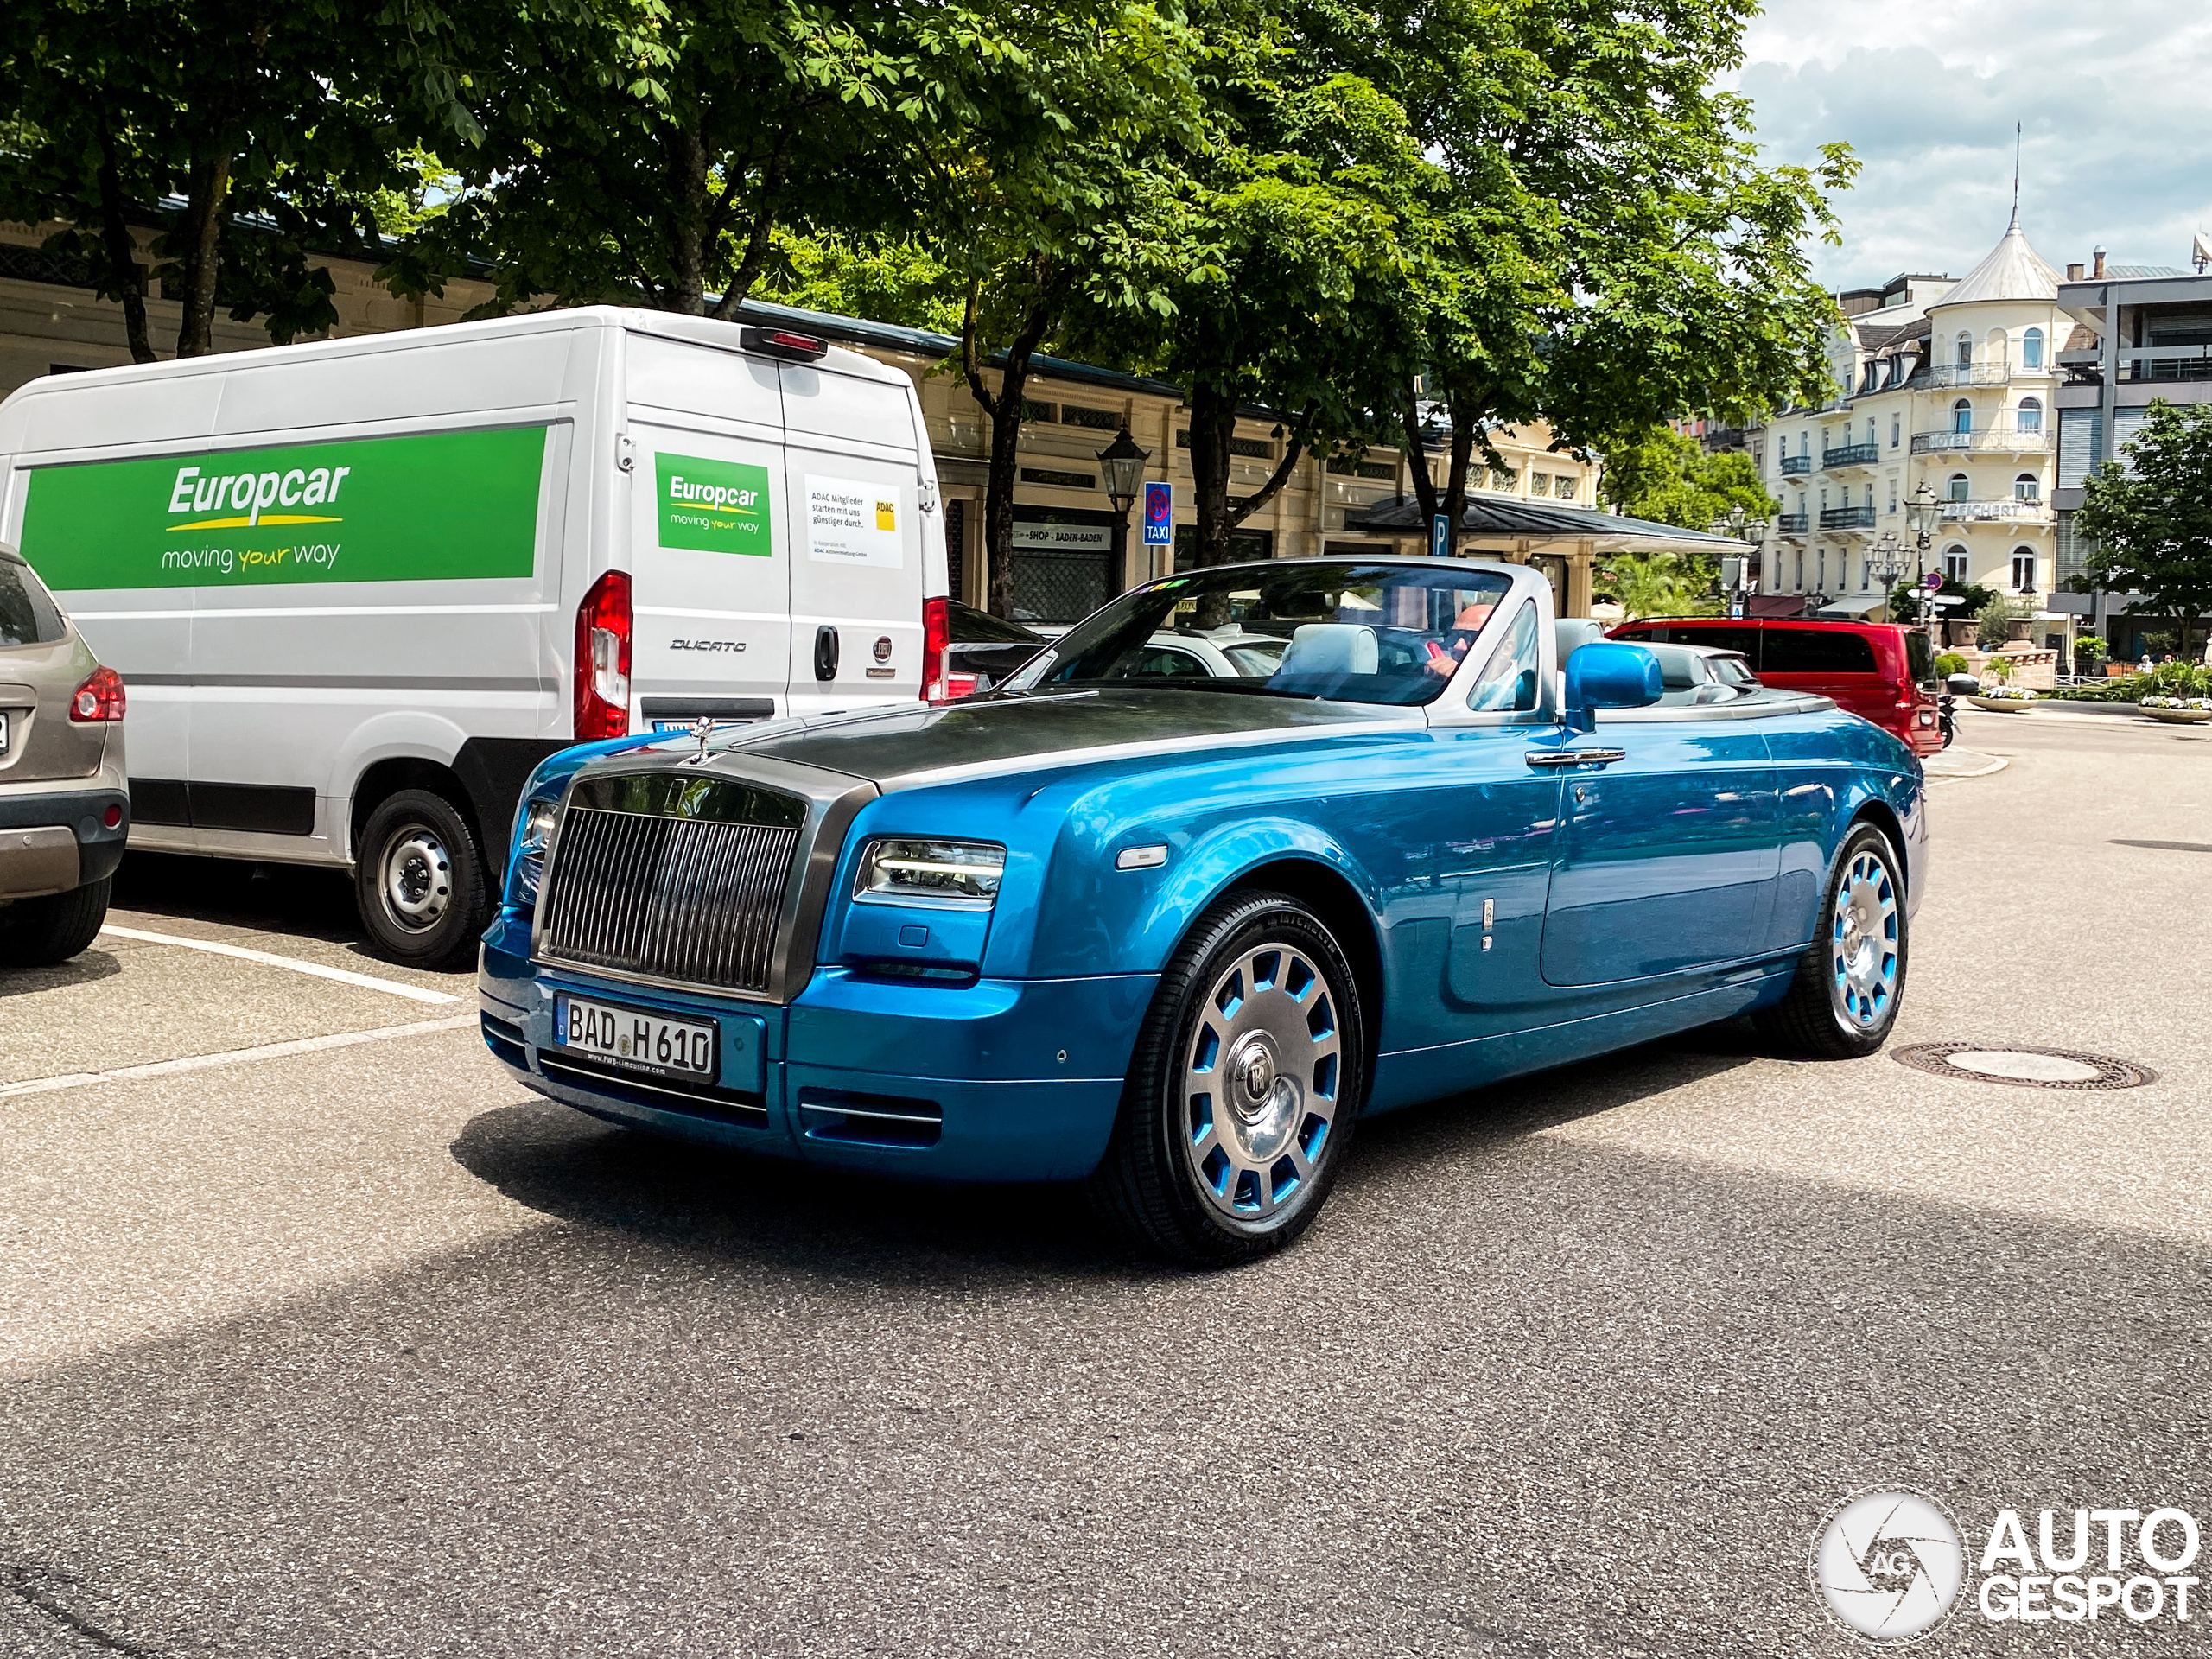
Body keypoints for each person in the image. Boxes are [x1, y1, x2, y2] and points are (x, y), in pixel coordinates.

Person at [1422, 599, 1499, 676]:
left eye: (1472, 637)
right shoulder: (1440, 678)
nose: (1458, 646)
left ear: (1506, 649)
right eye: (1454, 636)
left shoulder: (1509, 687)